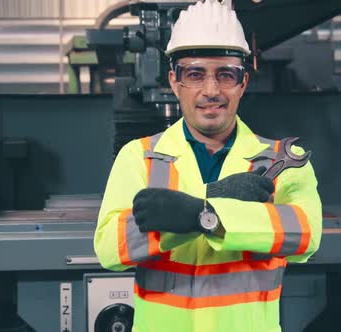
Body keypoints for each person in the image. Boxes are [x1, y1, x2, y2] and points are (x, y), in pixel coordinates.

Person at [94, 1, 322, 331]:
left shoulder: (283, 161)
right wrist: (210, 198)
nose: (211, 90)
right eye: (195, 74)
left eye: (225, 75)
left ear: (243, 83)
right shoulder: (138, 157)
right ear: (175, 82)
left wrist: (203, 213)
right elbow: (108, 250)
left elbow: (305, 237)